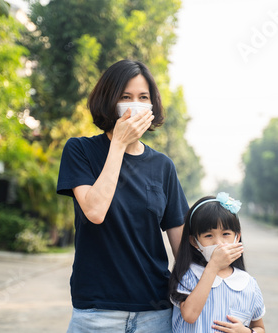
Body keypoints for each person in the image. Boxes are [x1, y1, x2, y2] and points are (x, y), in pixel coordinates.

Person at [57, 59, 189, 333]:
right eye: (125, 97)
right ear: (109, 99)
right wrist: (118, 143)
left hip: (155, 313)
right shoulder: (80, 151)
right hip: (96, 313)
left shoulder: (162, 166)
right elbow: (95, 211)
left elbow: (182, 247)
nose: (135, 104)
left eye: (143, 97)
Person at [169, 193, 266, 333]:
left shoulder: (248, 284)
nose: (218, 243)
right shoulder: (189, 275)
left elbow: (260, 327)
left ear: (237, 237)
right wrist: (213, 266)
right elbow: (189, 315)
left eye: (226, 234)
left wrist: (246, 331)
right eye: (208, 236)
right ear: (194, 241)